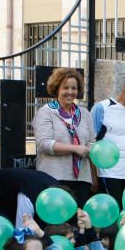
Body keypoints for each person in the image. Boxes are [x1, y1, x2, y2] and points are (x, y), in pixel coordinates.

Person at [33, 67, 95, 205]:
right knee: (56, 224)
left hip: (81, 179)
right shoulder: (46, 112)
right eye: (65, 88)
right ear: (57, 89)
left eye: (74, 88)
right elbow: (44, 144)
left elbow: (92, 141)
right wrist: (75, 148)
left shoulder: (84, 113)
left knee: (78, 222)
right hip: (53, 177)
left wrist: (93, 150)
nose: (70, 92)